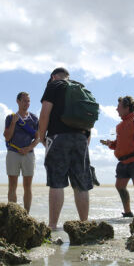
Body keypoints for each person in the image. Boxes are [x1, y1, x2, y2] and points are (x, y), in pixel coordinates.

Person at [37, 68, 93, 229]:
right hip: (81, 138)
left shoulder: (54, 85)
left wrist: (42, 136)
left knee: (57, 182)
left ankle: (53, 226)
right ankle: (84, 224)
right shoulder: (81, 88)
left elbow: (44, 113)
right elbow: (89, 118)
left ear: (53, 76)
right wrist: (85, 139)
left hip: (59, 137)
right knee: (81, 184)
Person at [100, 96, 134, 217]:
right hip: (123, 161)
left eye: (119, 107)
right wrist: (111, 144)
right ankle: (127, 212)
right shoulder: (119, 126)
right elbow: (120, 144)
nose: (116, 109)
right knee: (119, 186)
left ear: (127, 107)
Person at [3, 92, 40, 212]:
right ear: (18, 101)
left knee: (27, 186)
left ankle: (26, 214)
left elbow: (38, 138)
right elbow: (7, 137)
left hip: (28, 154)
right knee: (12, 185)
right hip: (13, 153)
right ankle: (12, 213)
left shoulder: (34, 118)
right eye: (24, 101)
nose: (27, 103)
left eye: (28, 101)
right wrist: (13, 122)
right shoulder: (10, 117)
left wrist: (28, 148)